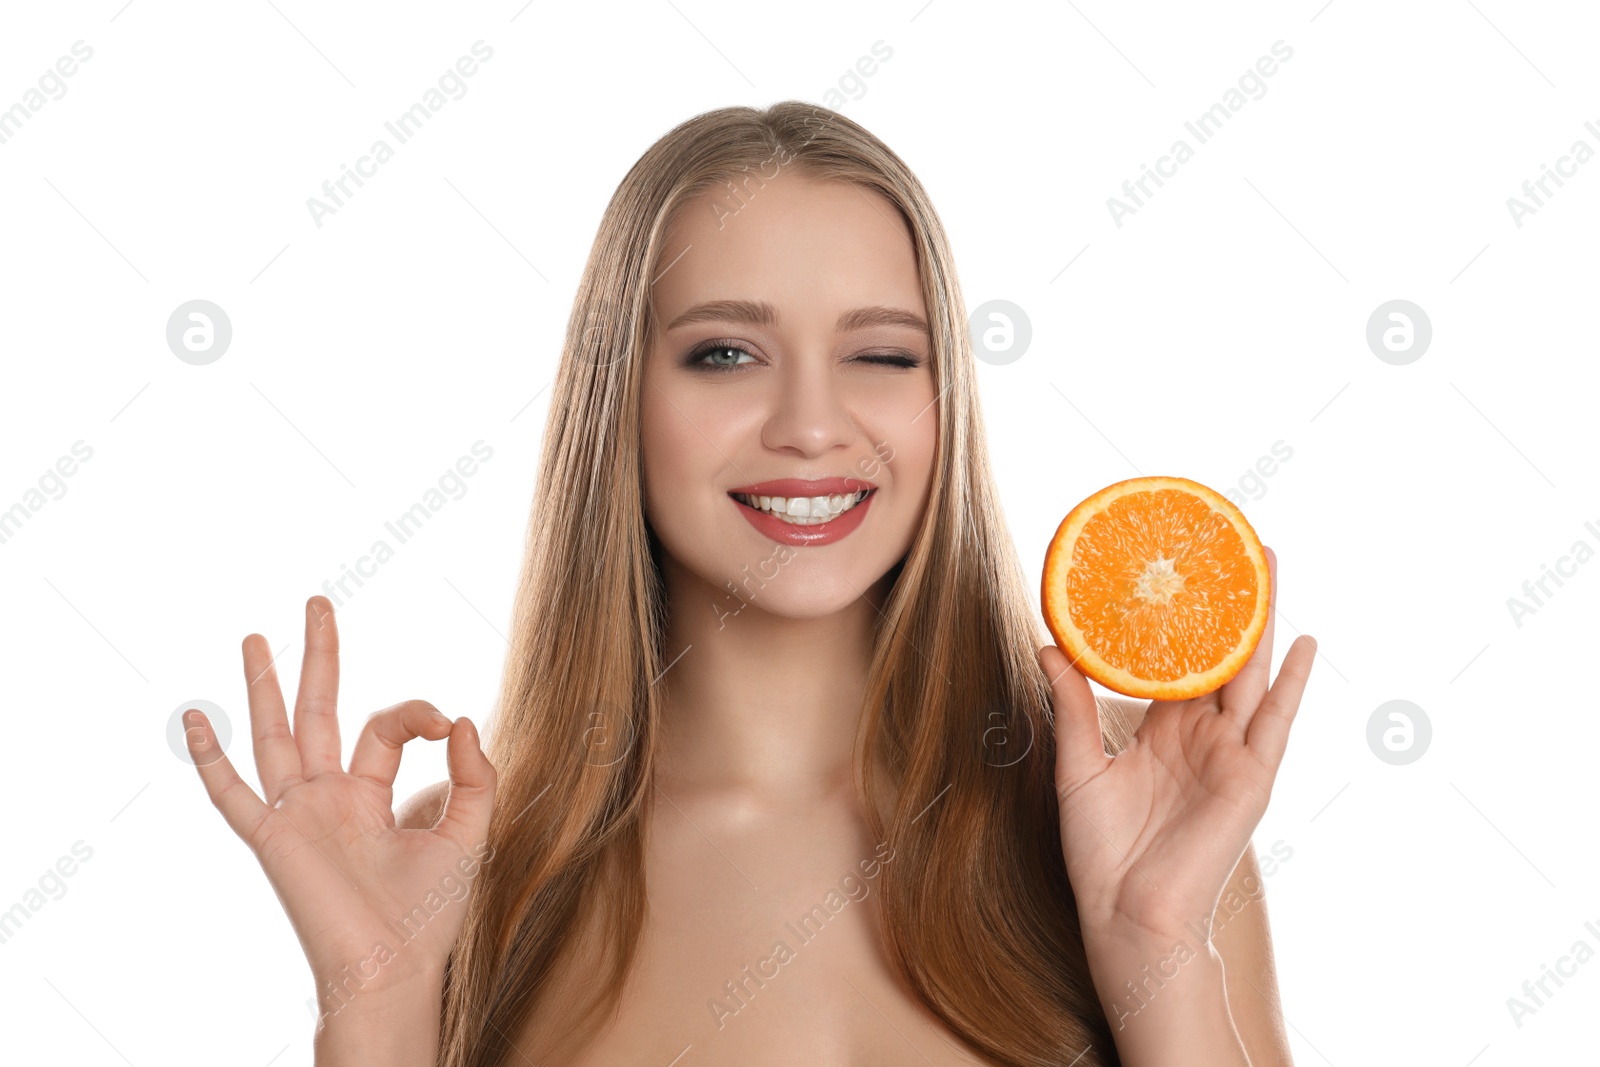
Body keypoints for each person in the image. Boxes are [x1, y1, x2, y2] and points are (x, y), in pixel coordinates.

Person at [183, 101, 1316, 1066]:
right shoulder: (457, 865)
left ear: (947, 403)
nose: (812, 426)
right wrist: (372, 1009)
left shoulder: (1126, 811)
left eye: (882, 355)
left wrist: (1156, 935)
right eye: (725, 352)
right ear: (616, 397)